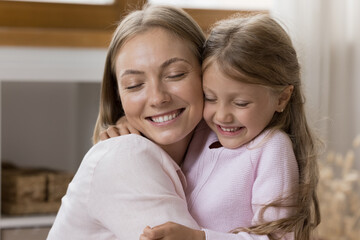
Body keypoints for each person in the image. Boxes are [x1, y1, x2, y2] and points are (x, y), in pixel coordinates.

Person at [109, 14, 321, 240]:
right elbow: (164, 133)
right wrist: (129, 125)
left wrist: (200, 238)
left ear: (282, 98)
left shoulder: (272, 148)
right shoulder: (204, 130)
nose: (222, 116)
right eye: (209, 98)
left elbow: (278, 238)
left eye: (241, 103)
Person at [47, 4, 207, 240]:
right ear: (119, 96)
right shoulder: (126, 156)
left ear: (208, 72)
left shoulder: (215, 151)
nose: (158, 98)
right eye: (134, 85)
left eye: (175, 75)